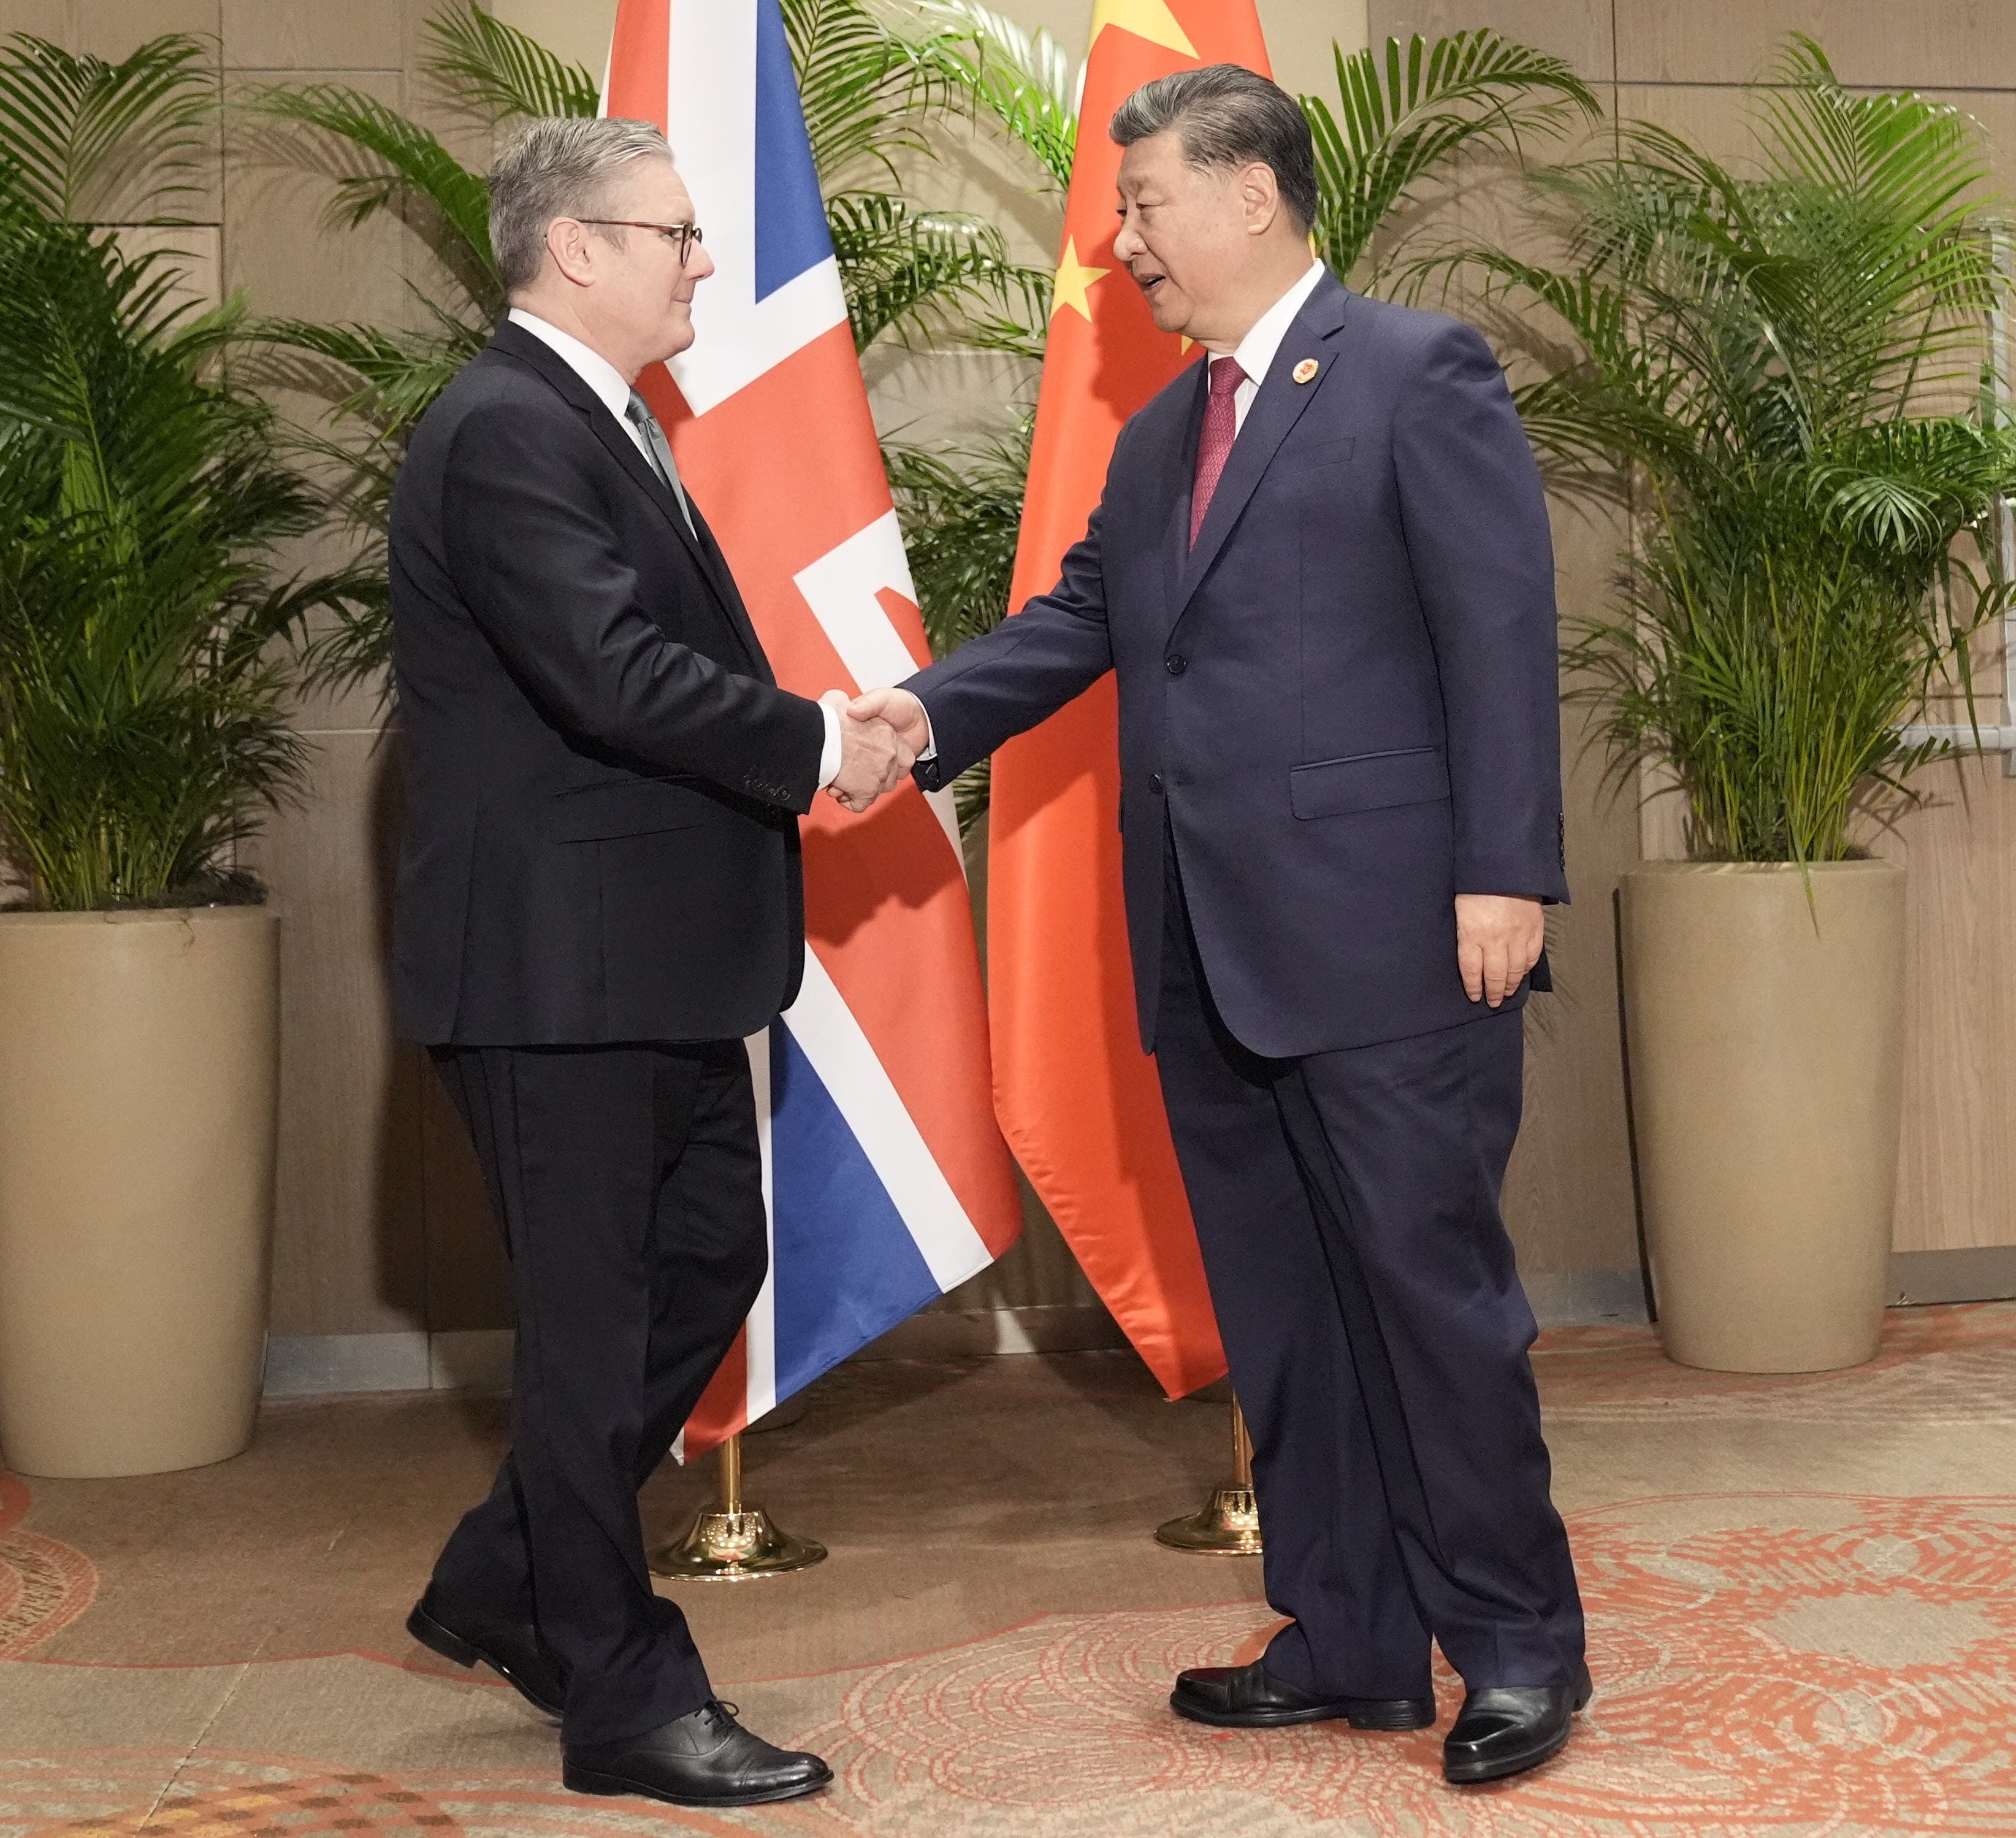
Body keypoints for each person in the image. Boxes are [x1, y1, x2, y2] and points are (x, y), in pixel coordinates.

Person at [853, 66, 1590, 1786]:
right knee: (1288, 1317)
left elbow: (1500, 631)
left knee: (1430, 1304)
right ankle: (1344, 1642)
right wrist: (911, 722)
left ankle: (1515, 1650)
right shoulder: (1159, 433)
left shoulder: (1418, 372)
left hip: (1398, 939)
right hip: (1207, 945)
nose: (1121, 248)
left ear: (1253, 194)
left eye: (1145, 208)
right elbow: (1083, 624)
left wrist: (1509, 870)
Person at [383, 115, 911, 1811]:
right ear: (574, 249)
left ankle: (504, 1576)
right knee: (594, 1341)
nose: (701, 261)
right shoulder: (503, 429)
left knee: (702, 1268)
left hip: (647, 972)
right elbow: (609, 678)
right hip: (556, 980)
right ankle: (623, 1697)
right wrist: (824, 741)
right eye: (675, 233)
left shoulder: (595, 418)